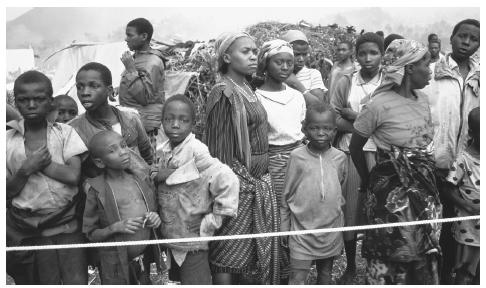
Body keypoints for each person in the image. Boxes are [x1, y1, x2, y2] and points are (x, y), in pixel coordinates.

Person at [349, 39, 442, 284]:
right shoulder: (377, 105)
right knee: (393, 247)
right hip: (392, 192)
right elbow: (355, 148)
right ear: (409, 68)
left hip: (425, 189)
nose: (430, 70)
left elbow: (423, 147)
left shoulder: (422, 100)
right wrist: (370, 179)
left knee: (424, 248)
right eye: (426, 64)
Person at [204, 31, 280, 284]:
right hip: (237, 184)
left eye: (254, 51)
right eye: (245, 51)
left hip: (256, 180)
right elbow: (219, 151)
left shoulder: (247, 87)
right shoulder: (223, 92)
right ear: (227, 57)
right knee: (228, 252)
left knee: (247, 254)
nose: (252, 56)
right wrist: (238, 184)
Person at [6, 71, 88, 284]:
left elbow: (73, 176)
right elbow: (5, 191)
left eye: (39, 99)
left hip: (68, 224)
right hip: (29, 229)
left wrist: (42, 164)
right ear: (16, 102)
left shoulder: (65, 133)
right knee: (44, 280)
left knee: (74, 280)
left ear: (50, 101)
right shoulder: (6, 140)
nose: (31, 105)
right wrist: (26, 169)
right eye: (24, 100)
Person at [155, 94, 239, 285]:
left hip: (193, 238)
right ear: (162, 122)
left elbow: (227, 179)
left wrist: (213, 219)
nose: (175, 125)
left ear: (193, 123)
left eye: (183, 120)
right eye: (169, 119)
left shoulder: (196, 150)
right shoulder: (163, 149)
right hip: (174, 233)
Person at [424, 20, 479, 283]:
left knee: (469, 227)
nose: (467, 42)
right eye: (462, 36)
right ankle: (439, 277)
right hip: (437, 163)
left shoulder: (481, 75)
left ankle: (463, 276)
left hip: (470, 166)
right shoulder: (433, 73)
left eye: (474, 39)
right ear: (452, 37)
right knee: (439, 227)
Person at [330, 32, 384, 284]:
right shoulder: (346, 81)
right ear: (356, 55)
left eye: (373, 52)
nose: (368, 58)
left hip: (381, 154)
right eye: (362, 53)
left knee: (379, 210)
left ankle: (378, 264)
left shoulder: (389, 83)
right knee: (350, 211)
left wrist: (355, 115)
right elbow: (333, 117)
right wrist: (364, 125)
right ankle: (350, 267)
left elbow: (389, 119)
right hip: (351, 152)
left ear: (382, 54)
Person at [255, 39, 306, 283]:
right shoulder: (256, 99)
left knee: (299, 212)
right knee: (278, 215)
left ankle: (298, 269)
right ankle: (279, 271)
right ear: (265, 64)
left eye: (290, 62)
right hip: (273, 160)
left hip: (299, 159)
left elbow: (303, 127)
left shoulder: (297, 96)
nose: (285, 67)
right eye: (279, 62)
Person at [82, 130, 162, 284]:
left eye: (123, 146)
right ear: (100, 162)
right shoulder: (97, 189)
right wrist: (115, 228)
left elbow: (153, 211)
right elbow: (90, 233)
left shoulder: (140, 180)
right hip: (114, 265)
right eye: (113, 151)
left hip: (142, 260)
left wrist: (154, 218)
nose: (123, 152)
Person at [281, 103, 347, 285]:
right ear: (304, 129)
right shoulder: (296, 157)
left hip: (330, 231)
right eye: (314, 128)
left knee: (325, 274)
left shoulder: (340, 158)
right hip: (301, 232)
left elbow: (339, 193)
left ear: (335, 131)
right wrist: (284, 229)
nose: (320, 133)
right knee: (297, 277)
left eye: (326, 128)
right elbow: (286, 197)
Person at [70, 62, 154, 179]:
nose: (85, 93)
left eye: (94, 86)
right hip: (105, 195)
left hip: (141, 189)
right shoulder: (74, 129)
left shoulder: (131, 119)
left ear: (109, 90)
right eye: (80, 87)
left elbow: (147, 154)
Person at [118, 18, 167, 156]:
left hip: (145, 124)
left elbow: (144, 96)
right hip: (135, 121)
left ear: (144, 36)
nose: (126, 39)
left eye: (130, 35)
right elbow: (138, 83)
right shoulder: (138, 58)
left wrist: (130, 69)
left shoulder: (153, 62)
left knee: (146, 163)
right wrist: (118, 89)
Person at [443, 107, 480, 284]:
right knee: (465, 272)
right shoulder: (463, 160)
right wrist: (468, 206)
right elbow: (447, 190)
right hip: (469, 231)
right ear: (472, 132)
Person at [280, 29, 326, 104]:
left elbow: (318, 106)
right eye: (296, 54)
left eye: (304, 54)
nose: (301, 59)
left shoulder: (313, 74)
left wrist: (296, 84)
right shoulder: (277, 74)